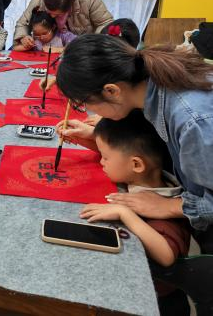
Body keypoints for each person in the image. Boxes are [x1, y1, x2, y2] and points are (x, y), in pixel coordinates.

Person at [55, 34, 213, 255]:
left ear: (111, 91)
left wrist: (167, 206)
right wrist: (100, 140)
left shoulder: (193, 120)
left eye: (86, 104)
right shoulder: (152, 86)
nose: (91, 113)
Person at [80, 110, 191, 314]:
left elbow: (166, 256)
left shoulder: (162, 209)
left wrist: (125, 214)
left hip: (156, 302)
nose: (101, 162)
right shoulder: (149, 177)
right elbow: (120, 162)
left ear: (136, 165)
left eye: (105, 157)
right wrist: (90, 141)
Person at [13, 0, 113, 49]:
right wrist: (23, 37)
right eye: (49, 12)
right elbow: (22, 23)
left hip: (82, 46)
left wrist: (94, 45)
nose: (52, 17)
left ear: (69, 8)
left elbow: (105, 23)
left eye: (57, 15)